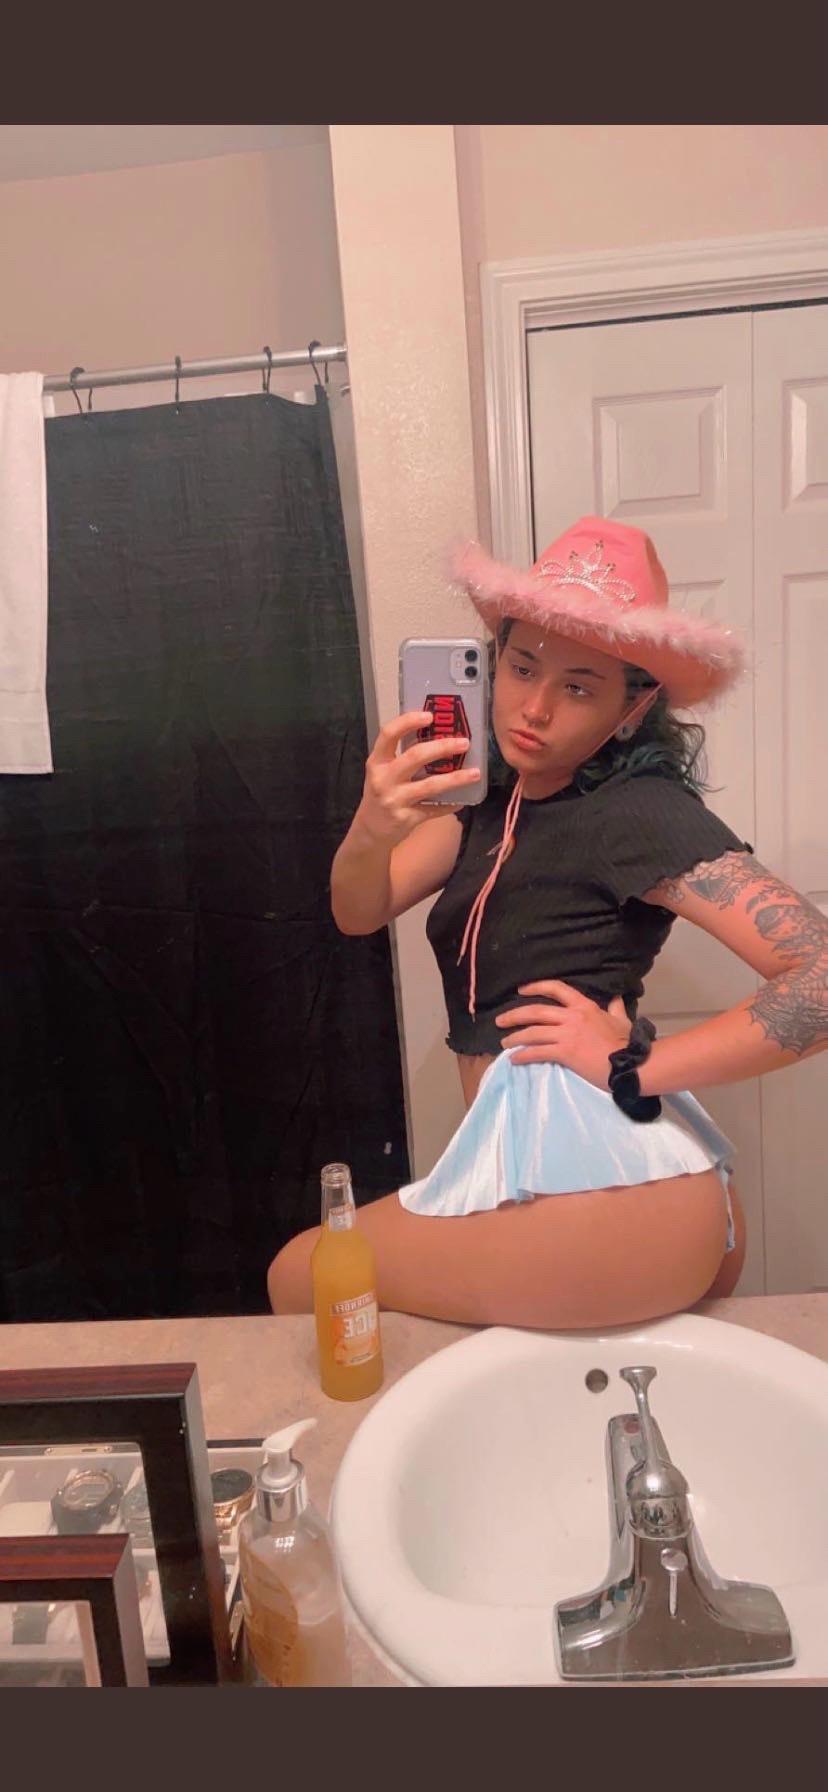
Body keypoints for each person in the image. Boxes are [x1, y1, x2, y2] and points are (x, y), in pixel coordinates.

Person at [268, 516, 828, 1330]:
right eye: (522, 667)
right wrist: (371, 821)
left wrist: (633, 1065)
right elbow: (358, 911)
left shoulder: (636, 811)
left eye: (579, 687)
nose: (533, 709)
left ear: (633, 709)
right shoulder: (487, 803)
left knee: (299, 1276)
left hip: (610, 1191)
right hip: (590, 1180)